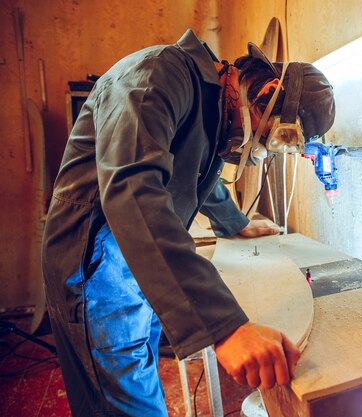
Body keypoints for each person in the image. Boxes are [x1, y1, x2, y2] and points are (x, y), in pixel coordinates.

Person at [41, 28, 335, 416]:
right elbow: (134, 193)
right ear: (267, 92)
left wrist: (234, 222)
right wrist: (225, 327)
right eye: (279, 137)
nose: (264, 151)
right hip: (95, 262)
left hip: (131, 257)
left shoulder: (210, 106)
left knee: (136, 372)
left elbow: (198, 179)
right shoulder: (156, 77)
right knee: (121, 400)